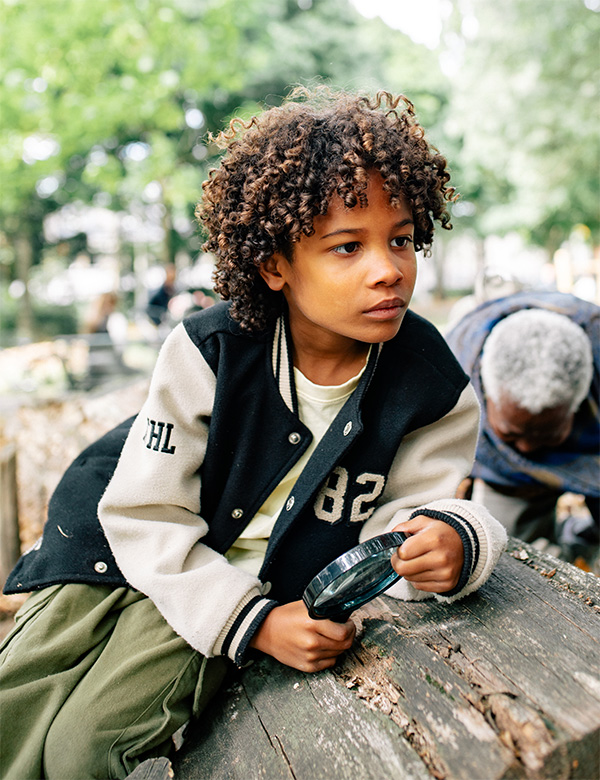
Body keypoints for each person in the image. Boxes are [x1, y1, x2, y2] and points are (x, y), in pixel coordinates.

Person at [0, 87, 507, 780]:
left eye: (400, 239)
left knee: (84, 750)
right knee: (12, 710)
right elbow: (143, 512)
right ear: (275, 266)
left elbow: (404, 523)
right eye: (347, 246)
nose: (388, 268)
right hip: (112, 548)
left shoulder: (432, 386)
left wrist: (451, 540)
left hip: (224, 589)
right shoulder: (209, 350)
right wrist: (259, 626)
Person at [446, 290, 599, 561]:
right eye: (512, 433)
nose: (527, 447)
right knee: (511, 557)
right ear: (488, 397)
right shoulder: (452, 374)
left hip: (591, 446)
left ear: (575, 407)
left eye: (546, 433)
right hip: (505, 472)